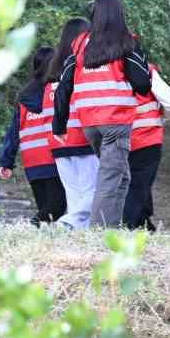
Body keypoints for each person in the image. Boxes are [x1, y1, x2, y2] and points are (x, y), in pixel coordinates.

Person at [52, 0, 151, 228]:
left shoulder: (80, 44)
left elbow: (64, 84)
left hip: (90, 123)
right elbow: (143, 83)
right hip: (115, 121)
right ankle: (98, 230)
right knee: (110, 176)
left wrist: (59, 123)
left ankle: (112, 227)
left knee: (121, 175)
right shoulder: (126, 42)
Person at [0, 47, 65, 224]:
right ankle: (31, 225)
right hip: (52, 157)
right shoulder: (55, 91)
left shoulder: (24, 96)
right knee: (57, 206)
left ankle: (45, 243)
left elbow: (13, 132)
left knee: (46, 208)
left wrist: (6, 161)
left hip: (32, 161)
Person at [44, 18, 98, 229]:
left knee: (74, 194)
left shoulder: (51, 77)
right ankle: (67, 223)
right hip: (81, 139)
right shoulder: (81, 72)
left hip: (58, 144)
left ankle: (76, 234)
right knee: (94, 191)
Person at [122, 58, 170, 230]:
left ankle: (143, 222)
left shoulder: (106, 73)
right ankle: (127, 225)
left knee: (131, 183)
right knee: (139, 184)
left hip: (117, 139)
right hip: (146, 137)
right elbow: (169, 101)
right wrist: (162, 117)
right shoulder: (147, 70)